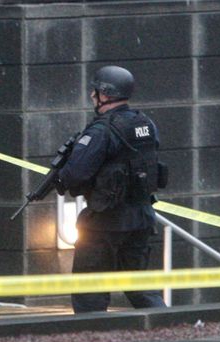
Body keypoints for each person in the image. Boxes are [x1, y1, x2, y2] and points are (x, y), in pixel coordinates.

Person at [56, 65, 168, 313]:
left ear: (104, 94)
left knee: (90, 293)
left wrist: (60, 178)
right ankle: (171, 329)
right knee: (141, 288)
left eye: (95, 92)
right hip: (141, 219)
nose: (92, 97)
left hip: (104, 223)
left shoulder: (101, 131)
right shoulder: (145, 124)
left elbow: (76, 174)